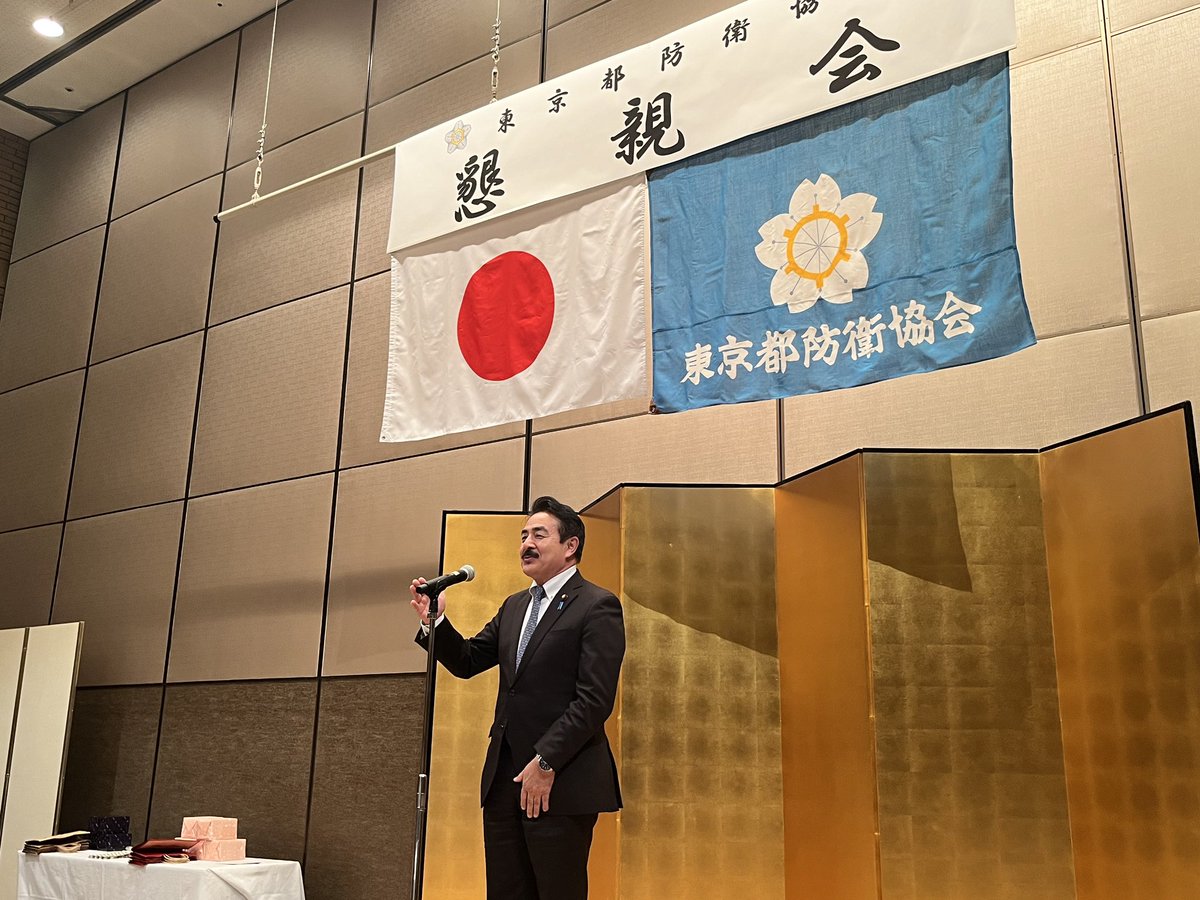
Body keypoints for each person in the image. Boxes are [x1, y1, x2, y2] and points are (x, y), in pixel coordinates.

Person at [410, 495, 625, 900]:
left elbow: (594, 699)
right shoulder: (515, 606)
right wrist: (436, 621)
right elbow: (468, 660)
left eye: (539, 535)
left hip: (561, 779)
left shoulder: (597, 605)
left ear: (570, 545)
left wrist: (546, 761)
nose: (527, 543)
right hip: (504, 779)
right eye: (523, 535)